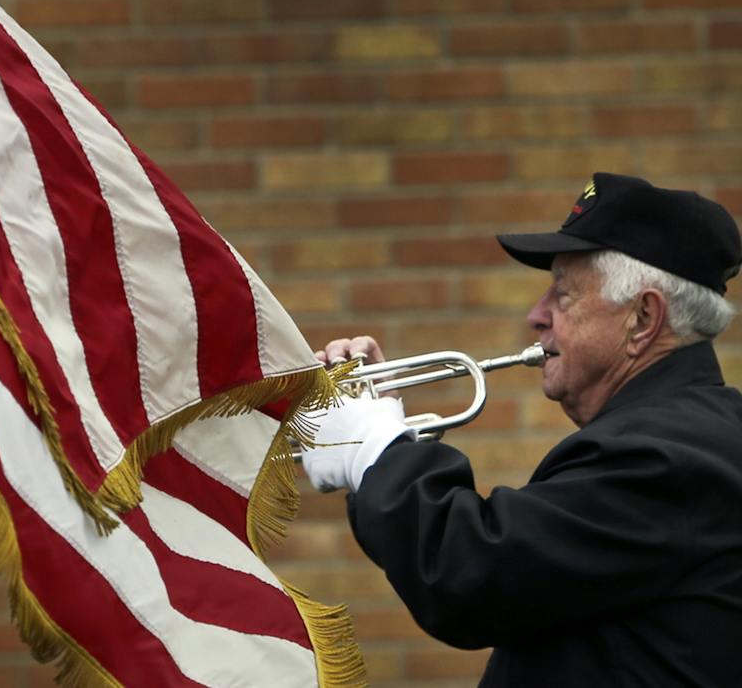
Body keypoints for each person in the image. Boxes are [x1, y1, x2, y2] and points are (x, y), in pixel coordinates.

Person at [301, 172, 742, 686]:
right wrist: (382, 444)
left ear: (643, 318)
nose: (537, 314)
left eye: (564, 292)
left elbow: (470, 574)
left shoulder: (667, 456)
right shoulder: (680, 435)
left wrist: (377, 452)